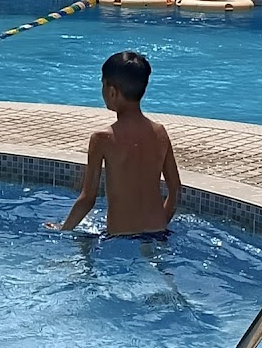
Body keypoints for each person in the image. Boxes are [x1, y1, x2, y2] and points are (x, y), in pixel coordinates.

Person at [48, 51, 180, 237]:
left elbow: (88, 199)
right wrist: (161, 224)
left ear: (112, 92)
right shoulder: (160, 132)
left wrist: (64, 228)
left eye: (102, 84)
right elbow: (175, 189)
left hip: (120, 237)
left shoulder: (102, 139)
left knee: (82, 245)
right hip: (158, 233)